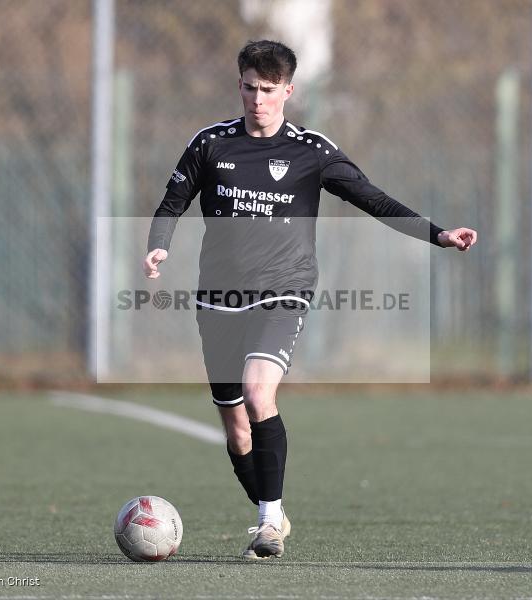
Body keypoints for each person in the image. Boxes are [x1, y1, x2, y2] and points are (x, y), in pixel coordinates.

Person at [144, 40, 477, 560]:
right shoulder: (210, 144)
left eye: (268, 90)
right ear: (239, 85)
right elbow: (173, 201)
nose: (258, 100)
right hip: (219, 296)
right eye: (250, 88)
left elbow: (373, 199)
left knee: (259, 394)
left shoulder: (311, 151)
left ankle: (267, 522)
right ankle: (270, 508)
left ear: (289, 91)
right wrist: (158, 244)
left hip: (285, 288)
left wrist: (438, 234)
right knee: (236, 429)